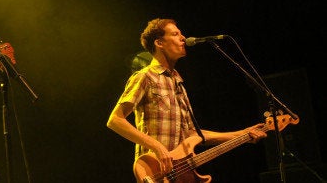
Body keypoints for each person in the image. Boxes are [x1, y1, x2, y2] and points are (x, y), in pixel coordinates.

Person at [106, 18, 267, 181]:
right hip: (155, 172)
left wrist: (242, 134)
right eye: (175, 34)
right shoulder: (145, 77)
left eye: (181, 34)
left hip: (181, 175)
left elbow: (192, 134)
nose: (183, 38)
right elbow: (115, 120)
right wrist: (156, 147)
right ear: (159, 43)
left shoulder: (179, 82)